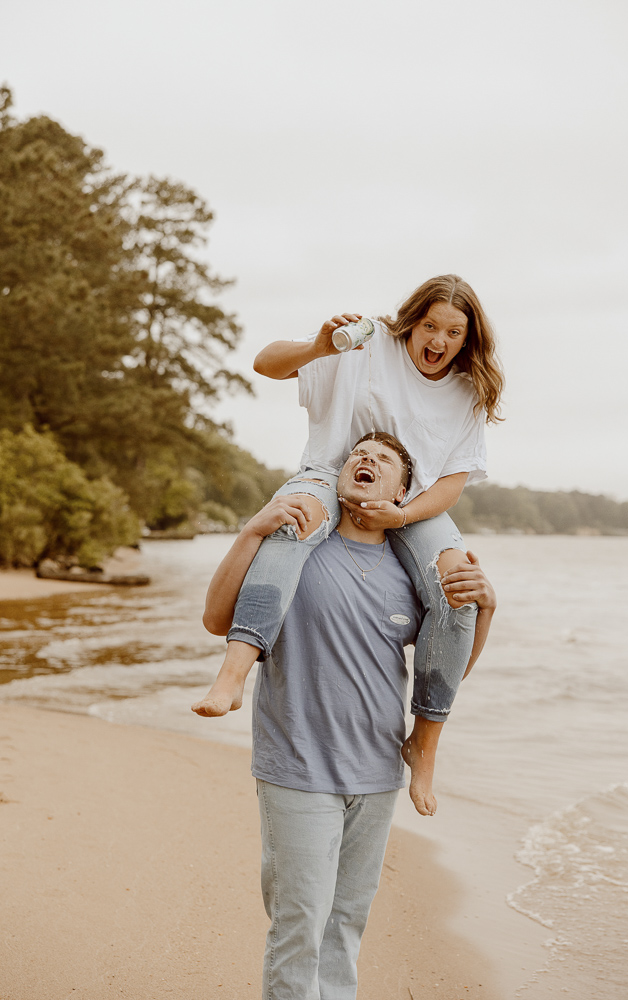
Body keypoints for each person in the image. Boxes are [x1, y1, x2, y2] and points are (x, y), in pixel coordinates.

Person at [192, 433, 496, 1000]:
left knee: (344, 929)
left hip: (378, 774)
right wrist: (253, 529)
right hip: (297, 769)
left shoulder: (413, 574)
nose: (366, 461)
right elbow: (216, 618)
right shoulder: (299, 545)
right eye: (358, 454)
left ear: (403, 492)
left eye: (383, 461)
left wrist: (487, 609)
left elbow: (448, 672)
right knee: (298, 931)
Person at [195, 274, 504, 815]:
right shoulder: (368, 342)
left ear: (468, 337)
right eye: (430, 325)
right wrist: (319, 345)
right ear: (412, 321)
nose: (439, 340)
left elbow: (452, 481)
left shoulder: (467, 390)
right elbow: (266, 362)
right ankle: (233, 673)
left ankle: (425, 743)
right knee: (294, 520)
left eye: (454, 331)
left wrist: (404, 511)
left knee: (459, 587)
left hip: (413, 501)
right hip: (328, 474)